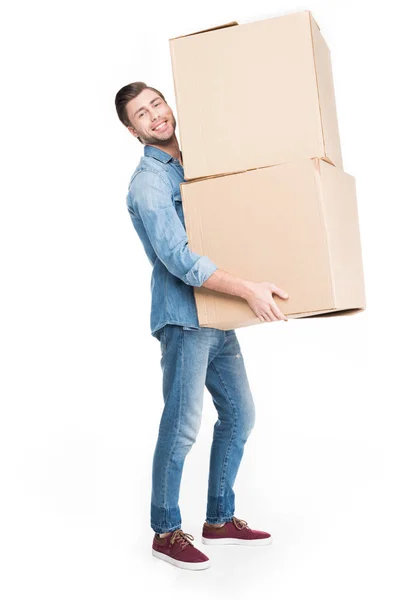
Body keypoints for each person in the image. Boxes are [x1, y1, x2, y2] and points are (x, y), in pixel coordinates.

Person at [115, 81, 289, 570]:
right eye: (141, 115)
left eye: (156, 104)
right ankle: (166, 531)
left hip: (216, 312)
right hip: (185, 317)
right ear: (133, 131)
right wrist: (249, 290)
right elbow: (180, 260)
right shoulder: (149, 183)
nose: (154, 116)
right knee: (182, 425)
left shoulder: (198, 165)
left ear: (168, 106)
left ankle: (218, 518)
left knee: (240, 414)